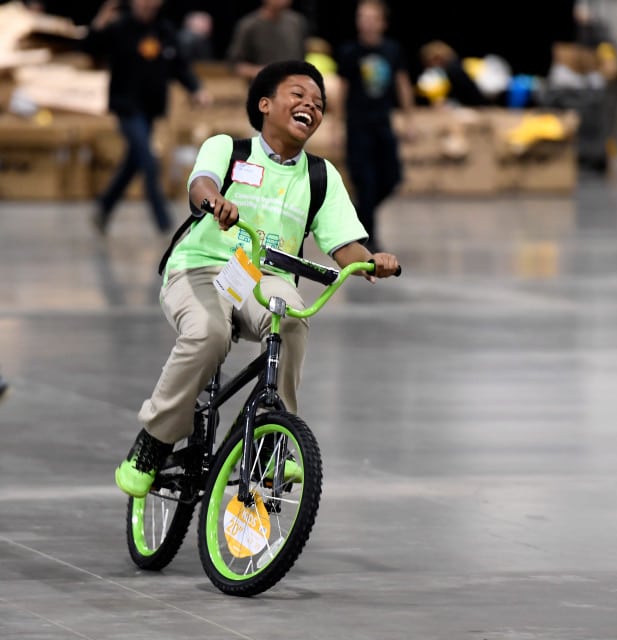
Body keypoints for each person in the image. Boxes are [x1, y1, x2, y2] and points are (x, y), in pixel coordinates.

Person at [114, 59, 401, 498]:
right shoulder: (227, 149)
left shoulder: (321, 177)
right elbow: (201, 184)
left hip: (264, 277)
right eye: (299, 95)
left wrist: (371, 259)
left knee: (289, 320)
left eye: (319, 103)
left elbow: (345, 246)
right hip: (203, 266)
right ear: (265, 104)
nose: (311, 105)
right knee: (209, 334)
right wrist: (214, 201)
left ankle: (271, 441)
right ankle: (154, 438)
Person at [83, 0, 210, 235]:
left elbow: (179, 66)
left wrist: (196, 89)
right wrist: (100, 22)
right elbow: (91, 49)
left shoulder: (164, 30)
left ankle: (104, 208)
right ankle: (165, 225)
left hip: (151, 108)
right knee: (149, 161)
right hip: (126, 107)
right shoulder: (120, 27)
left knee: (133, 163)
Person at [335, 0, 416, 253]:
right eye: (362, 16)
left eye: (371, 17)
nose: (366, 22)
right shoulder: (350, 52)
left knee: (392, 177)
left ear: (382, 22)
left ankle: (358, 216)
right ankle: (368, 238)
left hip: (383, 124)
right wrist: (337, 125)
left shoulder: (392, 50)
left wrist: (409, 118)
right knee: (365, 182)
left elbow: (402, 83)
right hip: (358, 126)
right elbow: (342, 89)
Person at [226, 0, 309, 82]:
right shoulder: (249, 26)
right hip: (263, 88)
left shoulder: (297, 22)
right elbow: (235, 65)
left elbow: (303, 57)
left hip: (295, 86)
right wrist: (264, 72)